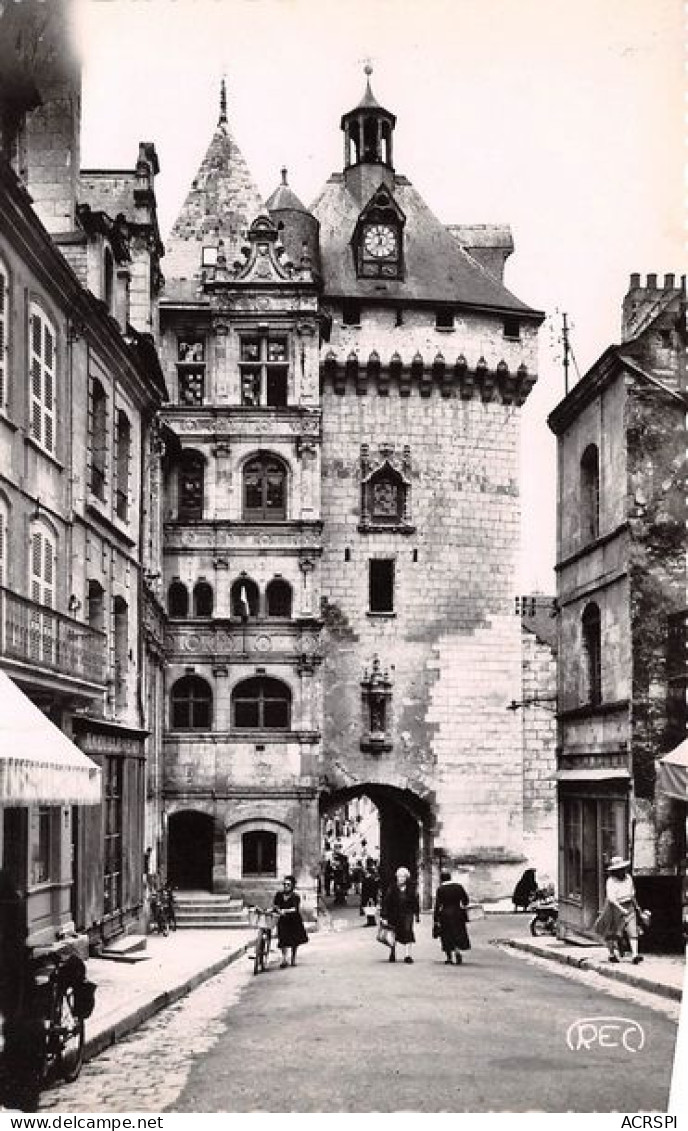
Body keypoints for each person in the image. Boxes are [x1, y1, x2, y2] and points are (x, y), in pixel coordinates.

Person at [593, 856, 643, 965]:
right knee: (611, 932)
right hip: (614, 907)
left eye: (623, 869)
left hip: (628, 905)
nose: (622, 871)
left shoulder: (628, 878)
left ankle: (635, 955)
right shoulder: (611, 881)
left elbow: (632, 894)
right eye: (619, 870)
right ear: (614, 871)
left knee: (632, 929)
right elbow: (612, 899)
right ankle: (611, 954)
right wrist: (621, 909)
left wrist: (637, 908)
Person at [381, 866, 420, 964]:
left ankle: (408, 955)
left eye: (403, 877)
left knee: (408, 931)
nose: (401, 878)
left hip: (407, 913)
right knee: (393, 933)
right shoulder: (392, 888)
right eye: (399, 876)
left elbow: (415, 902)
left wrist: (417, 914)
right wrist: (384, 916)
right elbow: (386, 902)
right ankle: (392, 952)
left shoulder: (411, 888)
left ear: (406, 878)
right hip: (394, 914)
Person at [433, 870, 471, 965]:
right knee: (457, 933)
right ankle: (457, 951)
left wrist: (436, 918)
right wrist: (463, 906)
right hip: (457, 913)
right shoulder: (458, 887)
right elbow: (465, 900)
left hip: (445, 914)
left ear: (441, 879)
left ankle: (449, 958)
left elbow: (438, 905)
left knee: (446, 935)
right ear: (450, 877)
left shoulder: (440, 889)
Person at [273, 875, 309, 968]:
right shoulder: (279, 895)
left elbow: (295, 908)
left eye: (288, 884)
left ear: (292, 886)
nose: (286, 886)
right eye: (284, 884)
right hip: (282, 919)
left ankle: (293, 958)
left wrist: (285, 910)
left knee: (294, 940)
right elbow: (275, 905)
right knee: (282, 939)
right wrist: (278, 910)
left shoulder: (295, 896)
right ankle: (284, 959)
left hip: (294, 920)